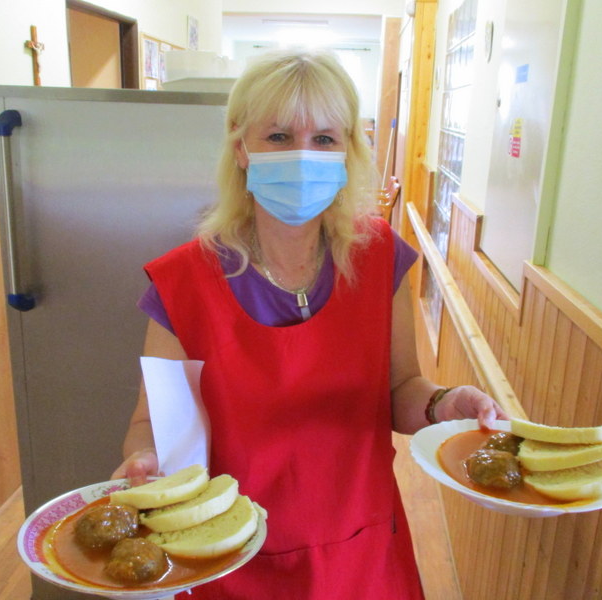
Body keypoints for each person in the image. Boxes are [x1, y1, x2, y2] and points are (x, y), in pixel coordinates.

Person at [112, 50, 508, 599]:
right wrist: (144, 461)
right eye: (278, 136)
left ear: (348, 152)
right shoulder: (183, 283)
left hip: (362, 553)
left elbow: (400, 391)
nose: (303, 155)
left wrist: (444, 404)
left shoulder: (378, 258)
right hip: (225, 556)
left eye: (324, 138)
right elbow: (148, 424)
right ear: (241, 148)